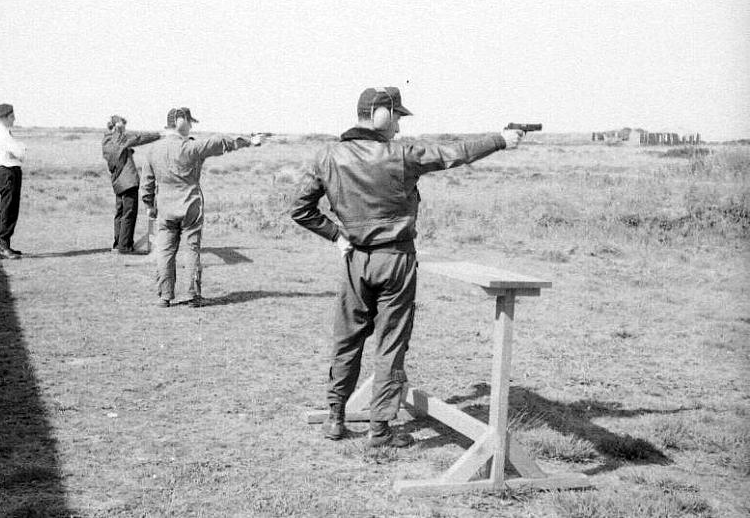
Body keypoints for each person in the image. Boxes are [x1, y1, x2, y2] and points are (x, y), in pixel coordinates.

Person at [290, 87, 523, 448]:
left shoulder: (327, 156)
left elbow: (300, 209)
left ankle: (336, 417)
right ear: (380, 112)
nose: (399, 125)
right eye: (397, 115)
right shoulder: (401, 154)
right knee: (391, 344)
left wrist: (337, 236)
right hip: (396, 260)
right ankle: (379, 428)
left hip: (355, 260)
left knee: (347, 339)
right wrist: (500, 140)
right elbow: (456, 153)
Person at [140, 107, 261, 308]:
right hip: (190, 207)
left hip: (165, 208)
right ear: (181, 121)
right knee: (191, 250)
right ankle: (192, 295)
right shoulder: (191, 147)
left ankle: (165, 296)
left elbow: (147, 184)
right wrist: (249, 141)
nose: (191, 125)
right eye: (189, 121)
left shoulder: (153, 150)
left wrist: (149, 206)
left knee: (165, 251)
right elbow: (220, 142)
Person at [102, 115, 161, 253]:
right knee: (129, 214)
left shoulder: (106, 141)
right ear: (116, 126)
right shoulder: (120, 138)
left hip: (117, 183)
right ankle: (125, 246)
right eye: (123, 124)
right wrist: (158, 135)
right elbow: (139, 138)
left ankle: (118, 244)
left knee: (120, 213)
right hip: (128, 182)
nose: (125, 126)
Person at [0, 103, 27, 259]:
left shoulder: (4, 132)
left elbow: (19, 152)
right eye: (11, 117)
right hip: (6, 171)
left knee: (11, 209)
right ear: (4, 117)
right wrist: (20, 151)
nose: (14, 119)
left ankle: (6, 245)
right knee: (8, 209)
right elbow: (20, 152)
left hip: (10, 170)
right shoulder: (1, 133)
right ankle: (3, 246)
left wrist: (19, 151)